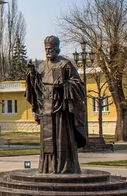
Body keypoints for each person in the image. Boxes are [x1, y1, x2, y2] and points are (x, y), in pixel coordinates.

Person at [25, 36, 87, 174]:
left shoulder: (65, 64)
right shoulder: (42, 66)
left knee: (61, 140)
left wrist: (64, 86)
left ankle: (64, 167)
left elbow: (79, 85)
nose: (48, 51)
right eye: (46, 49)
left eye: (50, 48)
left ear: (57, 48)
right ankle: (48, 167)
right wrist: (32, 73)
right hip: (47, 110)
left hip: (61, 112)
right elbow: (38, 88)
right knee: (47, 143)